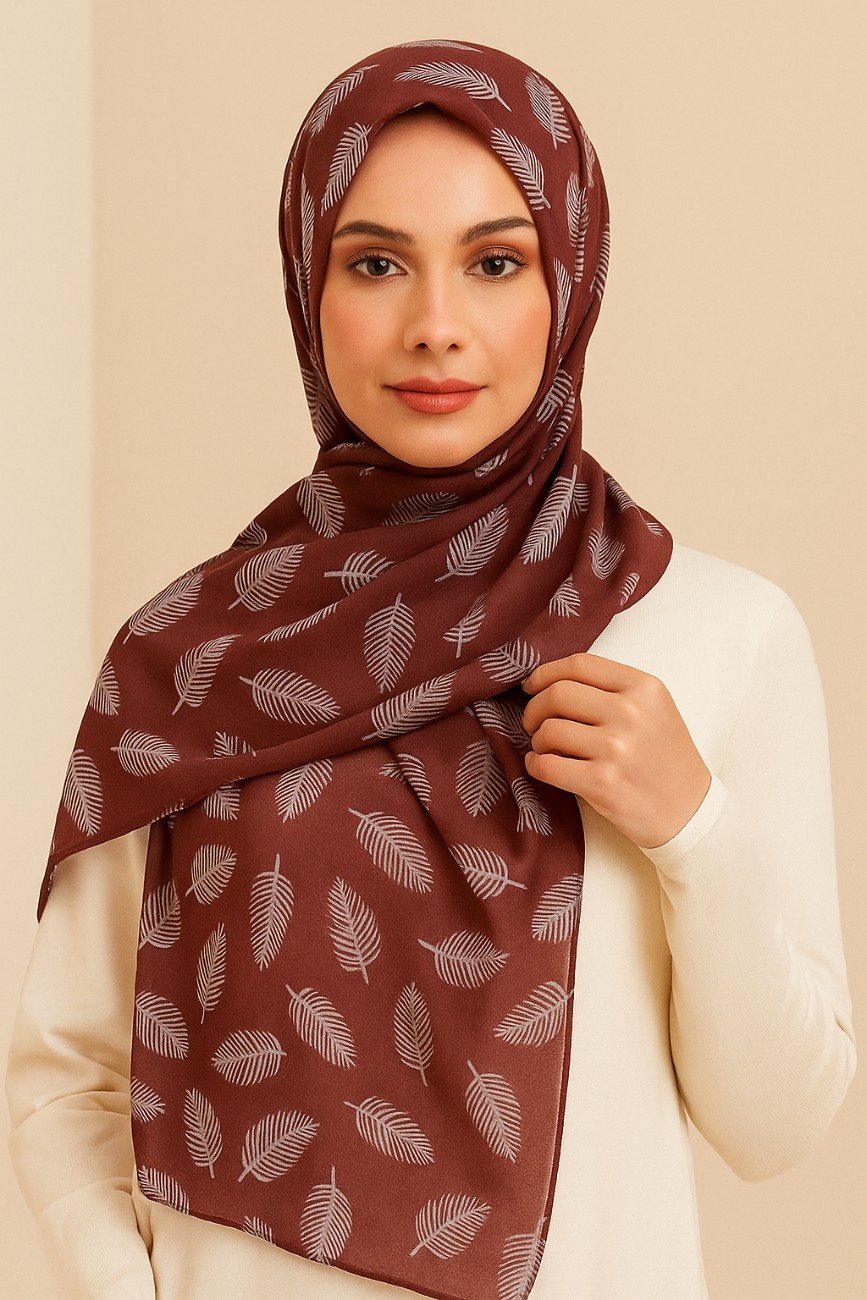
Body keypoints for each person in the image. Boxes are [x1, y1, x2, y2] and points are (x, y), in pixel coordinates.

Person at [4, 39, 857, 1300]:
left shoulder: (717, 633)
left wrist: (696, 831)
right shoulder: (193, 657)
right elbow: (68, 1079)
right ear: (309, 284)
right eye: (376, 263)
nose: (436, 327)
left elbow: (775, 1127)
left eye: (495, 263)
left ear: (569, 283)